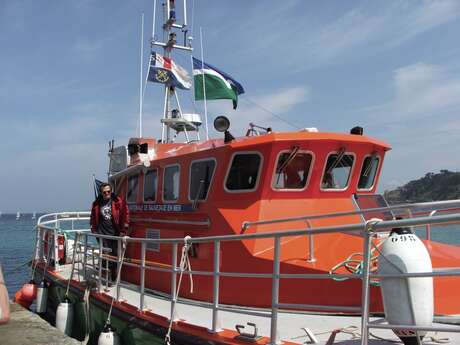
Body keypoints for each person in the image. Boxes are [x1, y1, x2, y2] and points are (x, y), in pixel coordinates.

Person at [90, 182, 129, 283]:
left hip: (114, 232)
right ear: (101, 193)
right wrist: (93, 230)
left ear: (111, 191)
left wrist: (123, 230)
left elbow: (125, 215)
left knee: (114, 255)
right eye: (104, 192)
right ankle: (107, 276)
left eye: (108, 191)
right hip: (102, 233)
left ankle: (112, 277)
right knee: (106, 254)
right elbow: (93, 217)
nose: (107, 193)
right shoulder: (96, 204)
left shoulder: (118, 201)